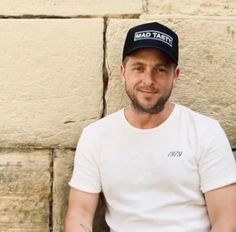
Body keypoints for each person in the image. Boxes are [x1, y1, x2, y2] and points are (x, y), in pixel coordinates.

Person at [65, 22, 236, 232]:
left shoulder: (205, 132)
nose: (148, 80)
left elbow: (227, 220)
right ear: (122, 72)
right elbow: (79, 217)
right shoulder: (96, 136)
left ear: (176, 75)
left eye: (160, 70)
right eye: (139, 68)